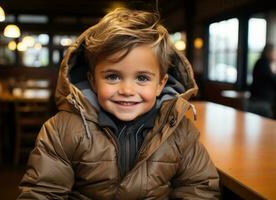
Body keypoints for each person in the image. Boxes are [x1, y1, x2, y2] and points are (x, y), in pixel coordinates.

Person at [18, 8, 220, 199]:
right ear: (93, 80)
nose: (127, 90)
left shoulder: (179, 131)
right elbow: (42, 192)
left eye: (142, 78)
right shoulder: (62, 130)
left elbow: (198, 187)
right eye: (113, 76)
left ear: (160, 84)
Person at [249, 43, 276, 118]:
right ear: (269, 52)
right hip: (261, 103)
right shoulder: (264, 64)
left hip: (256, 101)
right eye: (274, 52)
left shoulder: (260, 62)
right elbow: (273, 80)